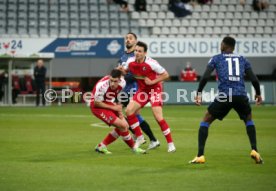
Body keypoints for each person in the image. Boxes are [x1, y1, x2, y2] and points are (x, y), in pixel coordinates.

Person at [189, 36, 263, 164]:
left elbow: (206, 76)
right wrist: (258, 94)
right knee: (248, 119)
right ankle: (255, 150)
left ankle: (200, 155)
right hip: (240, 95)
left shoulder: (216, 58)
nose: (220, 46)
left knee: (206, 120)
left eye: (221, 44)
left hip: (224, 95)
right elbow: (254, 79)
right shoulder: (242, 59)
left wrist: (199, 93)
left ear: (224, 45)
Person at [119, 41, 176, 153]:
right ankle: (140, 137)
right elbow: (126, 71)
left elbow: (166, 75)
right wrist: (122, 70)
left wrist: (153, 81)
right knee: (129, 111)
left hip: (154, 89)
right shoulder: (130, 61)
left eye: (140, 51)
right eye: (136, 50)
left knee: (158, 117)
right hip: (143, 91)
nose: (137, 53)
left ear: (145, 53)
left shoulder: (152, 63)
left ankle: (171, 144)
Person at [118, 32, 160, 150]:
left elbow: (137, 75)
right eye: (126, 38)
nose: (128, 40)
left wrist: (124, 74)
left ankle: (143, 136)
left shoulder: (136, 56)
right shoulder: (123, 56)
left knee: (125, 112)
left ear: (136, 42)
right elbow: (122, 73)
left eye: (130, 38)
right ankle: (149, 138)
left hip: (135, 88)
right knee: (127, 113)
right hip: (126, 89)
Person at [91, 69, 146, 154]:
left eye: (115, 81)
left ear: (120, 79)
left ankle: (101, 146)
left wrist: (119, 110)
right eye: (111, 81)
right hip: (97, 106)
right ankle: (134, 148)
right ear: (109, 77)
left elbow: (116, 95)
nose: (113, 84)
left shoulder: (123, 83)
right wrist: (114, 108)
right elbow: (96, 103)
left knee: (126, 126)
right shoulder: (102, 86)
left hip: (108, 102)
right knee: (123, 126)